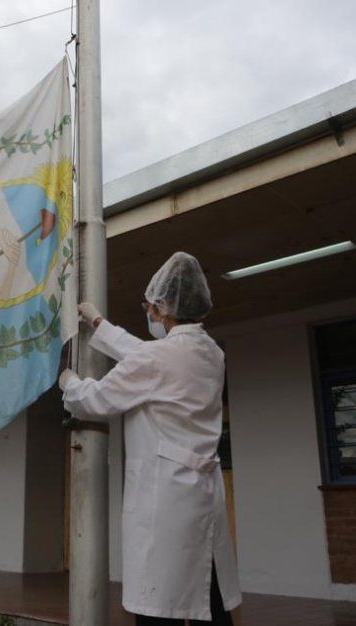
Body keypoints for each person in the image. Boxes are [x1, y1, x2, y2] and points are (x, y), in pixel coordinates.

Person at [58, 252, 241, 625]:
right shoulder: (212, 353)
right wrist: (99, 323)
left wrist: (69, 383)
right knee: (209, 593)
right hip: (201, 493)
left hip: (166, 499)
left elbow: (96, 399)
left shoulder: (158, 359)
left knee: (160, 604)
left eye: (151, 308)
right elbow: (149, 355)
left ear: (163, 307)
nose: (149, 315)